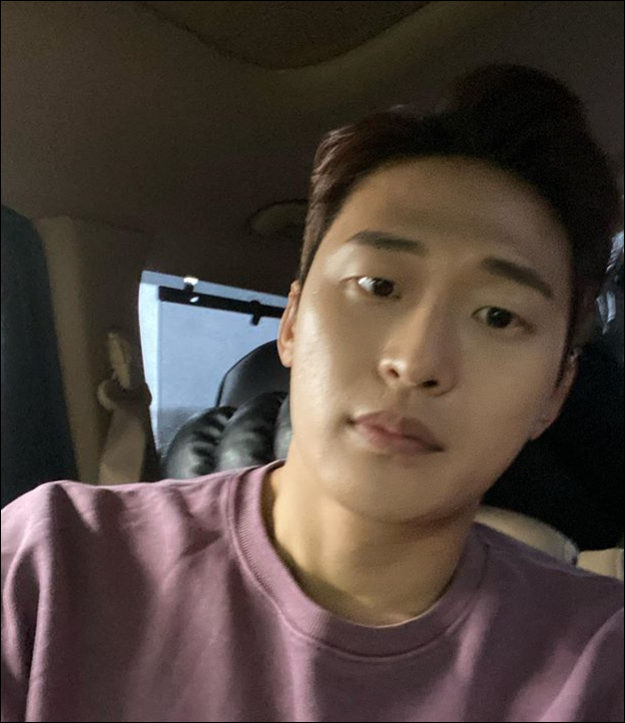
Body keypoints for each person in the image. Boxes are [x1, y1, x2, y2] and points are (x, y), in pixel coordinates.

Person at [2, 65, 623, 722]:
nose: (415, 361)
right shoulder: (51, 565)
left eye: (498, 316)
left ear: (554, 393)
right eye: (378, 286)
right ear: (292, 323)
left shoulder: (597, 659)